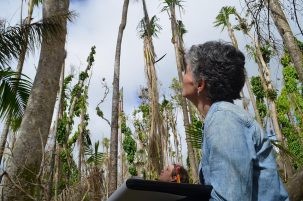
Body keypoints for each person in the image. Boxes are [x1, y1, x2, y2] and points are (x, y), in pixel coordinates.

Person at [182, 41, 289, 200]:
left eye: (186, 71)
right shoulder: (224, 117)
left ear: (199, 84)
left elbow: (230, 198)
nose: (183, 76)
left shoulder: (223, 118)